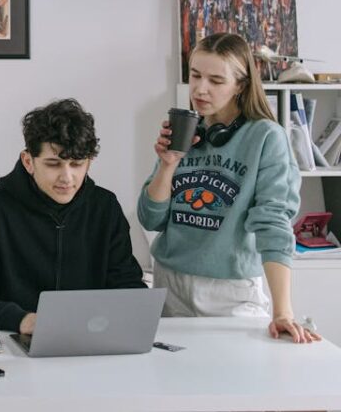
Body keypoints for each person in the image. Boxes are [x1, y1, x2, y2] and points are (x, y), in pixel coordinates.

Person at [137, 32, 321, 343]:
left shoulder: (265, 137)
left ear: (241, 85)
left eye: (216, 80)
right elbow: (150, 219)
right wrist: (168, 164)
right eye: (195, 75)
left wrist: (282, 312)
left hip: (230, 292)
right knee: (173, 385)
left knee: (238, 382)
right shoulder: (185, 130)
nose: (200, 88)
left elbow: (273, 223)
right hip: (169, 285)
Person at [0, 98, 146, 334]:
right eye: (53, 164)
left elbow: (128, 286)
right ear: (28, 161)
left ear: (89, 162)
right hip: (12, 342)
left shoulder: (105, 207)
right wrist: (21, 320)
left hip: (90, 344)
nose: (67, 178)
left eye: (77, 164)